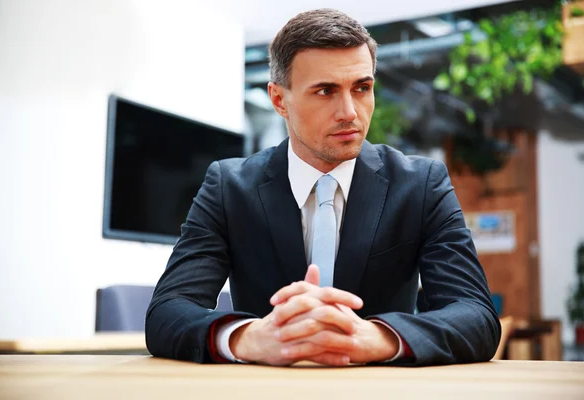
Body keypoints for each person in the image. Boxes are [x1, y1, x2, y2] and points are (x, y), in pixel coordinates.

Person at [145, 8, 500, 366]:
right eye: (326, 91)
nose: (349, 111)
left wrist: (376, 337)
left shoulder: (421, 184)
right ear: (279, 100)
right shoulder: (229, 187)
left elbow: (476, 315)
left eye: (362, 88)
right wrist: (247, 338)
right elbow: (166, 312)